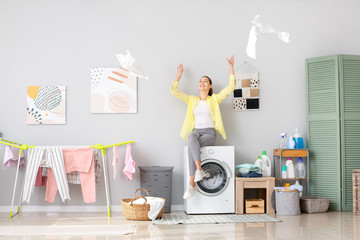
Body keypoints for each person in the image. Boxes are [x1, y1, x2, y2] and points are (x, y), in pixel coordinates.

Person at [170, 56, 236, 199]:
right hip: (197, 133)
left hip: (210, 134)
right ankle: (199, 170)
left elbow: (230, 88)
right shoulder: (192, 100)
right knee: (191, 136)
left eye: (205, 81)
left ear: (210, 86)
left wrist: (231, 68)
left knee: (190, 147)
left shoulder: (215, 99)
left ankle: (191, 184)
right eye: (200, 81)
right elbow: (174, 92)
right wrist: (179, 75)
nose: (202, 83)